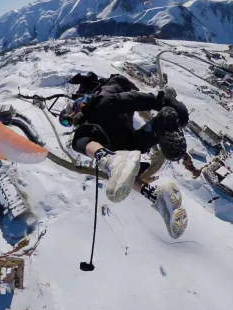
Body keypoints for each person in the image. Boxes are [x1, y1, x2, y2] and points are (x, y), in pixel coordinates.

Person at [60, 72, 189, 238]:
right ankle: (156, 195)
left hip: (104, 108)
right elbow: (130, 100)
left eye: (66, 119)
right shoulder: (96, 100)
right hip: (119, 130)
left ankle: (109, 159)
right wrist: (162, 101)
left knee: (80, 139)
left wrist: (161, 100)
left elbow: (125, 99)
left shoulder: (98, 91)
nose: (68, 122)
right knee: (125, 169)